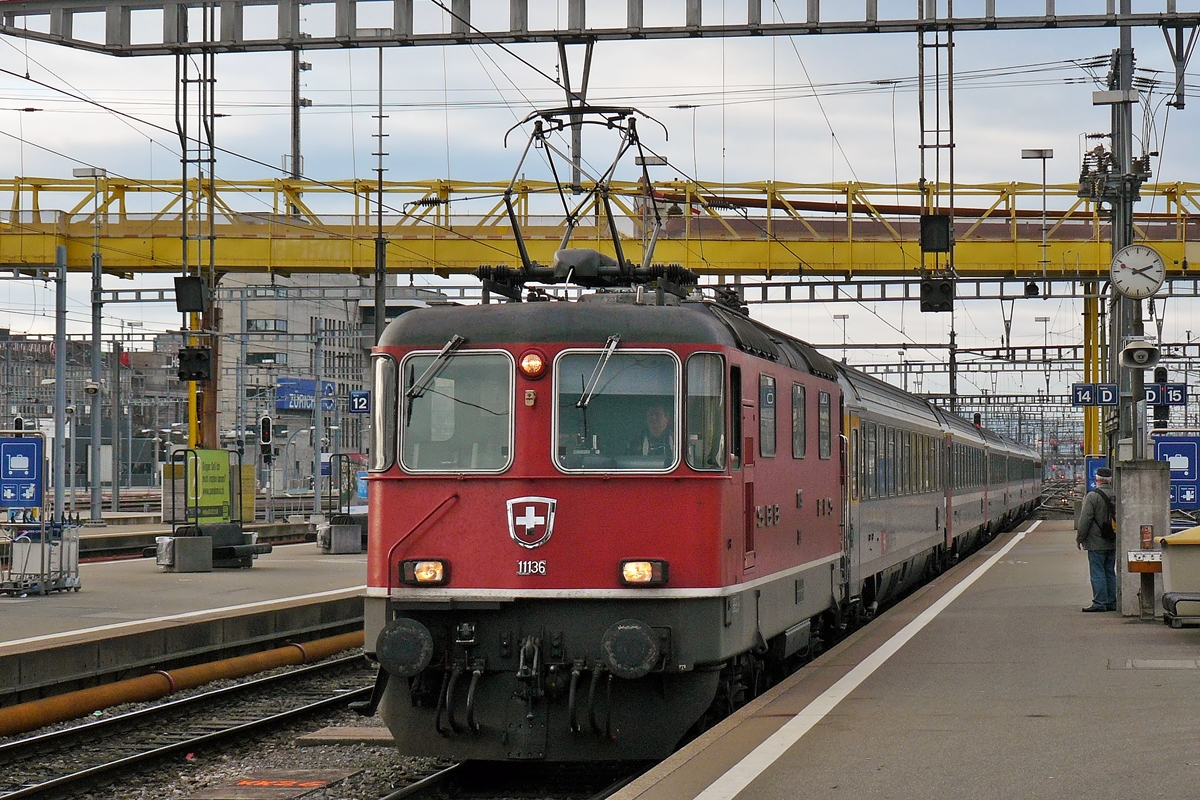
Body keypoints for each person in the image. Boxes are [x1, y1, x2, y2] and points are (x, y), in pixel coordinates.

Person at [1076, 467, 1118, 612]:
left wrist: (1080, 538)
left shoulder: (1092, 496)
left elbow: (1085, 519)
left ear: (1097, 479)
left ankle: (1100, 602)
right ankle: (1112, 601)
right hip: (1112, 540)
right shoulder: (1115, 495)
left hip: (1096, 541)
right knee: (1109, 571)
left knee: (1097, 572)